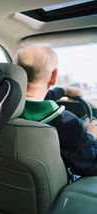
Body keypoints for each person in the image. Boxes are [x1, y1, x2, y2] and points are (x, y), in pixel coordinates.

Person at [15, 45, 97, 177]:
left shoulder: (5, 108)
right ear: (54, 75)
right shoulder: (68, 123)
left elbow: (36, 97)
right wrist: (90, 136)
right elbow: (90, 166)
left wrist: (63, 90)